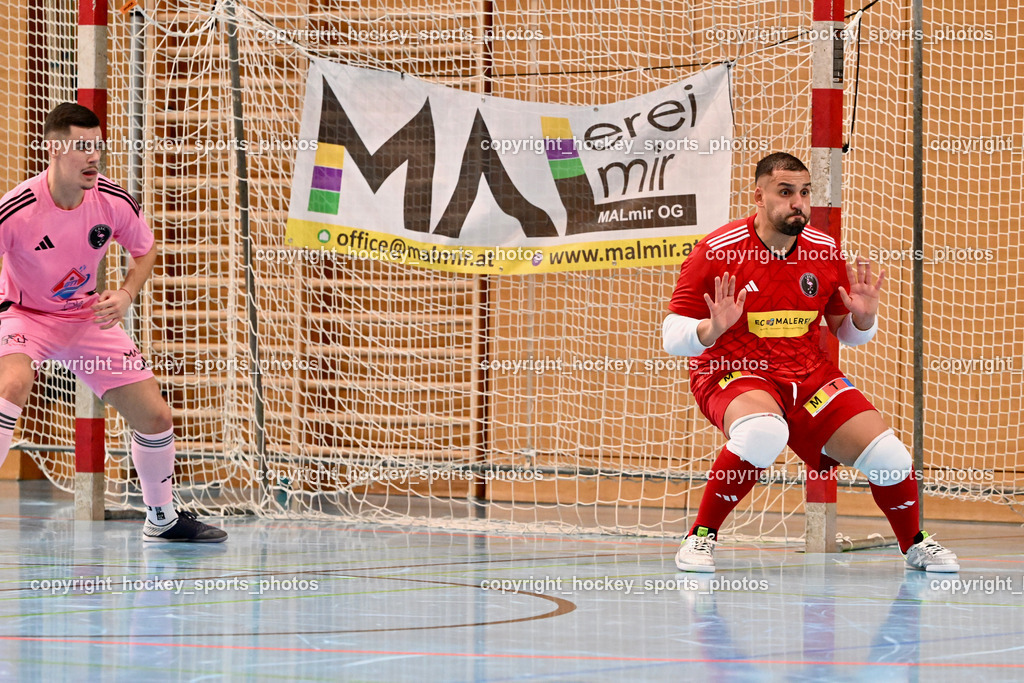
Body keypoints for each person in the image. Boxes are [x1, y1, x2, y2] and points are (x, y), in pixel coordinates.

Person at [663, 152, 957, 572]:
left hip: (808, 375)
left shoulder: (825, 249)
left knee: (890, 457)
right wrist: (711, 328)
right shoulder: (715, 251)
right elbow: (671, 334)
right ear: (759, 196)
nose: (797, 202)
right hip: (734, 371)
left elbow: (846, 332)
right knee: (763, 432)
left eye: (804, 192)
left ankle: (914, 544)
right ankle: (700, 536)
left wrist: (864, 319)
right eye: (785, 192)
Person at [0, 103, 226, 543]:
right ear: (54, 149)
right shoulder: (17, 208)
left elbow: (145, 250)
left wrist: (125, 294)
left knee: (155, 415)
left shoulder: (112, 200)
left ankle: (161, 518)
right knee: (12, 384)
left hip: (85, 318)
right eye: (82, 146)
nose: (94, 156)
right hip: (25, 315)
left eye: (98, 146)